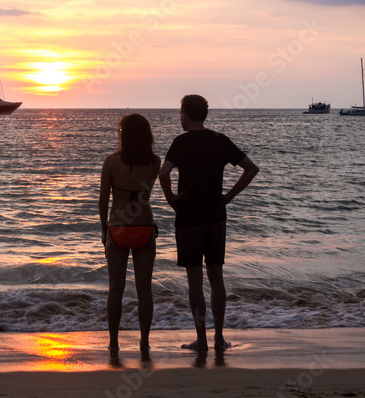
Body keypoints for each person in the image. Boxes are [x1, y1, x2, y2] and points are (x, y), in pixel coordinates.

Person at [159, 94, 259, 355]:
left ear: (184, 115)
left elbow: (163, 172)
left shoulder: (180, 143)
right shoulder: (219, 141)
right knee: (216, 277)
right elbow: (250, 168)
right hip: (216, 215)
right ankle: (219, 338)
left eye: (180, 113)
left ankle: (201, 339)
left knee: (194, 280)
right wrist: (228, 196)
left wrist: (171, 199)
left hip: (189, 216)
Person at [99, 113, 161, 357]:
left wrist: (104, 229)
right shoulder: (155, 162)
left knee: (116, 289)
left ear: (123, 135)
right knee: (144, 289)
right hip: (145, 227)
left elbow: (103, 200)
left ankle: (114, 343)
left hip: (118, 229)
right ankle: (144, 342)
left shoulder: (111, 162)